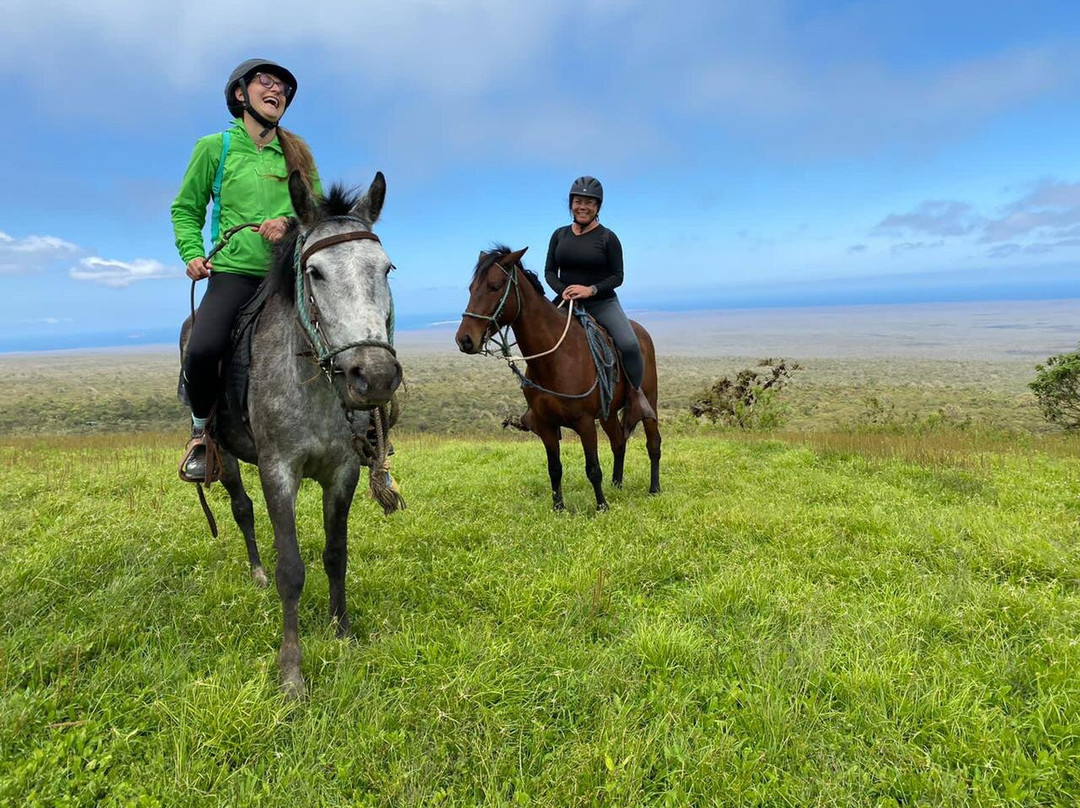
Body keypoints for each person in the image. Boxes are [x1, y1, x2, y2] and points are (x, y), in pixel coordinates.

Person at [172, 58, 322, 482]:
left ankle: (369, 434)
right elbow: (186, 209)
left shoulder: (298, 153)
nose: (277, 90)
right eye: (266, 81)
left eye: (283, 88)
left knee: (351, 326)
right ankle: (202, 436)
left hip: (291, 272)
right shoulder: (214, 148)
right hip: (235, 272)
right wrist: (192, 253)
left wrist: (290, 222)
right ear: (240, 94)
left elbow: (319, 212)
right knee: (202, 348)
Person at [544, 175, 657, 435]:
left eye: (589, 203)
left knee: (630, 344)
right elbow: (549, 271)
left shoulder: (608, 237)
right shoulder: (559, 235)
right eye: (578, 201)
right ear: (571, 204)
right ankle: (537, 403)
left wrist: (590, 290)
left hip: (601, 302)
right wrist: (563, 291)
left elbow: (617, 276)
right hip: (566, 301)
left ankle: (635, 396)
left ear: (598, 207)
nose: (582, 207)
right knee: (539, 340)